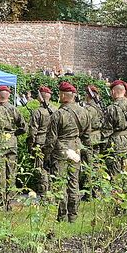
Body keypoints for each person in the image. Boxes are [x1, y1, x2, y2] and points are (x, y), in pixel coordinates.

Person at [47, 81, 87, 222]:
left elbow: (51, 138)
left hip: (61, 150)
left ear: (63, 95)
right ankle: (73, 216)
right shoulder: (83, 112)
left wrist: (47, 156)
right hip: (76, 148)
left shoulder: (58, 114)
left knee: (60, 183)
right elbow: (87, 135)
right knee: (74, 182)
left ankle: (62, 215)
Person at [0, 85, 25, 210]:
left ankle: (1, 203)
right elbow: (23, 127)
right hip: (12, 143)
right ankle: (10, 203)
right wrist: (13, 134)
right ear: (8, 96)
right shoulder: (15, 110)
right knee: (11, 173)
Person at [103, 80, 127, 177]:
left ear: (113, 92)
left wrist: (103, 148)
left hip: (115, 143)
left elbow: (106, 131)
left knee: (115, 173)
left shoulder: (111, 108)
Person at [27, 86, 55, 194]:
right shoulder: (55, 110)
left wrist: (30, 145)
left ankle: (43, 194)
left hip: (40, 142)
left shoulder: (37, 112)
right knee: (50, 167)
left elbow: (32, 131)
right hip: (51, 142)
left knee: (41, 169)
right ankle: (51, 191)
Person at [80, 85, 104, 196]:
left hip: (89, 138)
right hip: (98, 137)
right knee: (96, 163)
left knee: (88, 164)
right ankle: (96, 189)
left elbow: (84, 124)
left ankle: (90, 192)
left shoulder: (89, 109)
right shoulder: (99, 107)